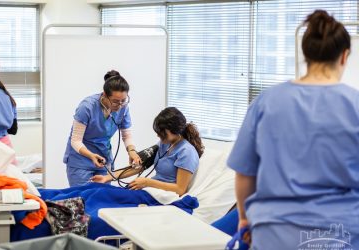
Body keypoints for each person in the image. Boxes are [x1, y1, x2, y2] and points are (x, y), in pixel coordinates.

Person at [228, 10, 359, 249]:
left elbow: (245, 174)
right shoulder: (355, 105)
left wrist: (245, 218)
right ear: (344, 56)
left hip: (274, 233)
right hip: (339, 235)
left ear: (306, 54)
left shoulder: (266, 101)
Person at [92, 107, 204, 196]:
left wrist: (147, 182)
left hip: (161, 197)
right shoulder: (163, 144)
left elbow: (180, 190)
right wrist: (107, 177)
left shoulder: (187, 152)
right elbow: (139, 167)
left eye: (161, 132)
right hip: (150, 190)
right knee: (94, 191)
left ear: (174, 130)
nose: (158, 135)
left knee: (104, 196)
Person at [64, 70, 141, 187]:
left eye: (123, 101)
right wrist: (91, 156)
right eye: (115, 101)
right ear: (104, 94)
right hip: (81, 161)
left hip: (104, 159)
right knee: (82, 199)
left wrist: (132, 152)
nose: (119, 105)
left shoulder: (123, 108)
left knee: (103, 197)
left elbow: (126, 135)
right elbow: (75, 140)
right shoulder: (87, 107)